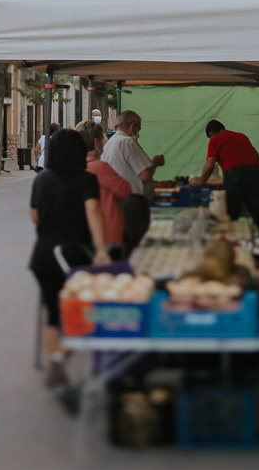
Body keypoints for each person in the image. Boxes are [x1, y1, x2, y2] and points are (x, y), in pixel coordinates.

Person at [28, 128, 109, 389]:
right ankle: (60, 361)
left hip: (43, 256)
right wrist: (102, 249)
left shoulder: (41, 180)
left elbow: (34, 216)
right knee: (84, 314)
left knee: (54, 312)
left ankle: (56, 363)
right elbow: (94, 211)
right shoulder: (86, 180)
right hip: (74, 256)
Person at [190, 119, 259, 261]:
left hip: (235, 177)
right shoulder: (242, 136)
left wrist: (201, 180)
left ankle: (228, 258)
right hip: (255, 175)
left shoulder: (215, 140)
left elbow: (210, 165)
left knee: (230, 219)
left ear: (211, 133)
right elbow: (256, 157)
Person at [100, 110, 164, 256]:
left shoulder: (110, 144)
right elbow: (145, 175)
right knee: (136, 244)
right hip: (133, 202)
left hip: (117, 200)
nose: (138, 133)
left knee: (125, 242)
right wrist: (155, 163)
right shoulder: (127, 142)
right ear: (132, 126)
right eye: (138, 129)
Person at [75, 120, 131, 256]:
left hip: (82, 234)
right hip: (107, 235)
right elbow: (126, 190)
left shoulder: (74, 167)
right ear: (96, 142)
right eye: (103, 139)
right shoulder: (99, 167)